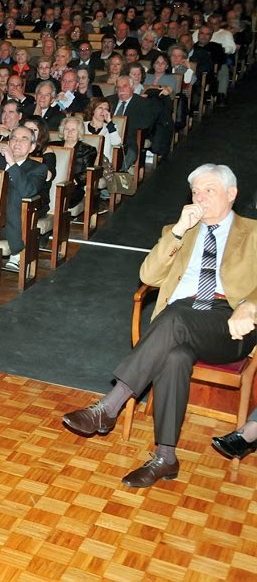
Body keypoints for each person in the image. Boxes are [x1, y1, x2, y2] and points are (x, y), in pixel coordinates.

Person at [62, 164, 257, 488]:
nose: (200, 197)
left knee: (175, 319)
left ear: (232, 194)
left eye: (209, 190)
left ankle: (109, 406)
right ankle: (165, 457)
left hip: (229, 322)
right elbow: (148, 277)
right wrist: (179, 231)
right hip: (179, 317)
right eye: (195, 191)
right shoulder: (178, 230)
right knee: (174, 356)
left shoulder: (252, 232)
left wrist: (250, 304)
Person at [0, 126, 48, 270]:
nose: (17, 142)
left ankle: (17, 251)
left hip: (13, 221)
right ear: (8, 143)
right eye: (14, 138)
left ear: (32, 147)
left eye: (24, 139)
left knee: (13, 192)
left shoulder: (38, 168)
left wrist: (11, 163)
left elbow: (28, 191)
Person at [49, 115, 97, 208]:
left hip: (73, 187)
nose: (69, 132)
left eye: (73, 130)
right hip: (51, 183)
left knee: (62, 197)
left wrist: (71, 180)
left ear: (79, 133)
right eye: (67, 129)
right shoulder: (51, 146)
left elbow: (86, 174)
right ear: (62, 131)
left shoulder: (88, 150)